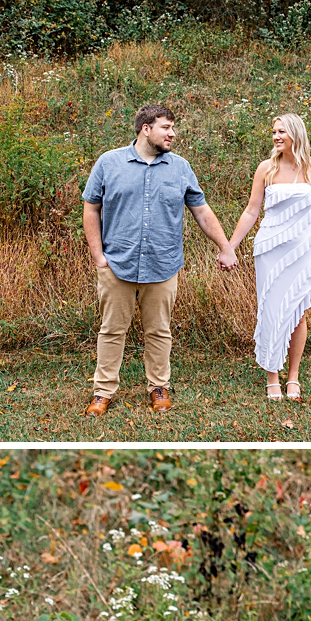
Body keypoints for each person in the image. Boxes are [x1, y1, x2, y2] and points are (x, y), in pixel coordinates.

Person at [80, 103, 237, 417]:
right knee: (112, 330)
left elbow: (201, 211)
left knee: (159, 330)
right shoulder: (109, 163)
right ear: (146, 128)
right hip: (117, 263)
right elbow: (91, 208)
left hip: (163, 265)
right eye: (166, 127)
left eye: (173, 127)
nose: (173, 134)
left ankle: (158, 387)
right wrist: (99, 256)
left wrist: (225, 246)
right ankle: (103, 391)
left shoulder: (180, 167)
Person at [223, 112, 311, 401]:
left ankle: (293, 377)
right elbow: (251, 211)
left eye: (282, 131)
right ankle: (272, 377)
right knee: (270, 310)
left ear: (296, 133)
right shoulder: (266, 169)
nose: (276, 136)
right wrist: (230, 246)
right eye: (274, 132)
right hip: (271, 248)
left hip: (304, 249)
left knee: (298, 312)